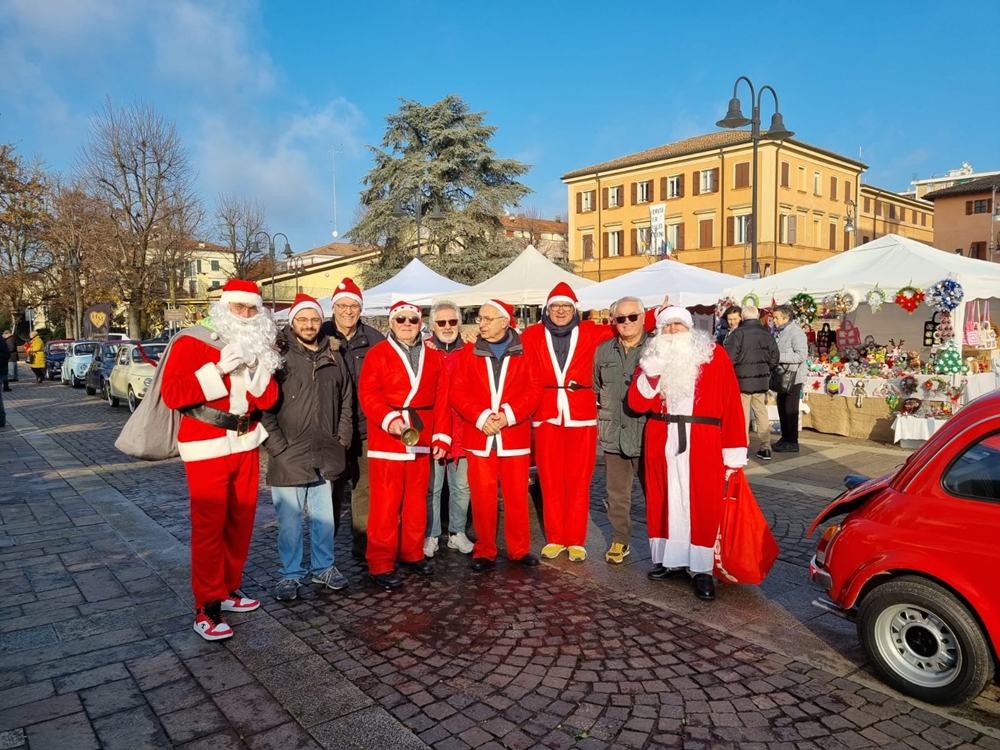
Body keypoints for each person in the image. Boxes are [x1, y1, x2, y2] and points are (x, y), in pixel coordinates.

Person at [159, 279, 281, 640]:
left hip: (246, 443)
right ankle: (206, 604)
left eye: (251, 309)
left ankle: (228, 589)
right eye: (238, 308)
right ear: (224, 307)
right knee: (209, 527)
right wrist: (218, 371)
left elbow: (269, 399)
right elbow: (173, 393)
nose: (244, 315)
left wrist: (258, 364)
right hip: (207, 444)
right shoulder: (192, 341)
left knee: (241, 522)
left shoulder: (261, 346)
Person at [627, 306, 747, 601]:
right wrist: (651, 372)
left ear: (690, 328)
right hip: (661, 438)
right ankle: (671, 560)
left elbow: (731, 402)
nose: (672, 331)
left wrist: (733, 451)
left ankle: (702, 569)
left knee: (701, 501)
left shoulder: (713, 354)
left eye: (678, 325)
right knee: (664, 499)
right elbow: (637, 404)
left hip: (702, 439)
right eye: (666, 327)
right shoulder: (652, 358)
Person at [262, 294, 354, 601]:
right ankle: (290, 574)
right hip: (288, 452)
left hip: (326, 449)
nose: (309, 324)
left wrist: (342, 437)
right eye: (302, 319)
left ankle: (324, 567)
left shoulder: (334, 355)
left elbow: (345, 401)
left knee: (324, 518)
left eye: (314, 319)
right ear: (293, 322)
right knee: (289, 522)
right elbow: (263, 406)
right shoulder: (279, 356)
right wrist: (277, 446)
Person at [359, 300, 452, 589]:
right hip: (388, 437)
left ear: (420, 321)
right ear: (391, 322)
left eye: (412, 319)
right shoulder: (378, 354)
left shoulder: (433, 356)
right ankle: (380, 562)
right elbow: (369, 393)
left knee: (416, 500)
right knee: (385, 504)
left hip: (421, 434)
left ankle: (412, 552)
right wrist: (388, 419)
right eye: (401, 319)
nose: (407, 324)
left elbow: (443, 398)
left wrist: (441, 435)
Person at [521, 282, 616, 562]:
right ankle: (555, 538)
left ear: (574, 309)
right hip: (546, 412)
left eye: (565, 306)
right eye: (555, 306)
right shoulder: (532, 334)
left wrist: (659, 312)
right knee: (550, 479)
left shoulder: (589, 331)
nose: (560, 311)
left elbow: (624, 327)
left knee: (578, 479)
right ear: (546, 310)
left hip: (581, 413)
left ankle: (575, 539)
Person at [450, 299, 542, 572]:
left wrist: (508, 416)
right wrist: (480, 418)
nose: (481, 323)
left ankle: (519, 549)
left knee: (516, 496)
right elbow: (457, 391)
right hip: (480, 437)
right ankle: (485, 549)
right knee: (482, 497)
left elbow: (535, 389)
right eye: (480, 318)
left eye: (488, 319)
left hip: (513, 435)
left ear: (505, 322)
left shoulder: (526, 350)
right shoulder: (469, 351)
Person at [320, 278, 385, 560]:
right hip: (330, 428)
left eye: (354, 306)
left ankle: (362, 544)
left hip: (365, 427)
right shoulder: (318, 334)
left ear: (361, 309)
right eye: (343, 305)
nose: (348, 311)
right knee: (329, 490)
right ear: (333, 308)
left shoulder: (374, 338)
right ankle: (325, 549)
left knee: (364, 489)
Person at [593, 296, 648, 564]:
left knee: (656, 494)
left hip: (648, 434)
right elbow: (595, 385)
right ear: (613, 321)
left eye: (632, 317)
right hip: (613, 434)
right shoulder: (603, 350)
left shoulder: (656, 348)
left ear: (643, 317)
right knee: (617, 494)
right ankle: (620, 539)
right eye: (620, 318)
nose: (626, 323)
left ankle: (663, 545)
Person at [424, 301, 474, 557]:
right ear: (432, 325)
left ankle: (457, 532)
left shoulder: (472, 351)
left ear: (459, 324)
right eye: (441, 322)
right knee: (432, 488)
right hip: (434, 431)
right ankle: (431, 534)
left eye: (452, 322)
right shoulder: (424, 351)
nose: (447, 327)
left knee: (461, 488)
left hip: (463, 431)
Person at [724, 305, 780, 461]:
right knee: (761, 412)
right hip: (761, 380)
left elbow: (729, 358)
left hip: (741, 381)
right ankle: (765, 447)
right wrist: (766, 369)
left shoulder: (738, 334)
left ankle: (743, 447)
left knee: (742, 414)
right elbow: (775, 356)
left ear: (742, 317)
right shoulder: (767, 334)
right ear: (757, 316)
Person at [771, 305, 809, 453]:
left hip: (793, 376)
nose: (774, 320)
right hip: (782, 375)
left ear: (786, 318)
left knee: (790, 410)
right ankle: (785, 437)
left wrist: (778, 357)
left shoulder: (796, 333)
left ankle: (792, 441)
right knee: (782, 407)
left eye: (777, 317)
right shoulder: (780, 332)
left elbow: (801, 355)